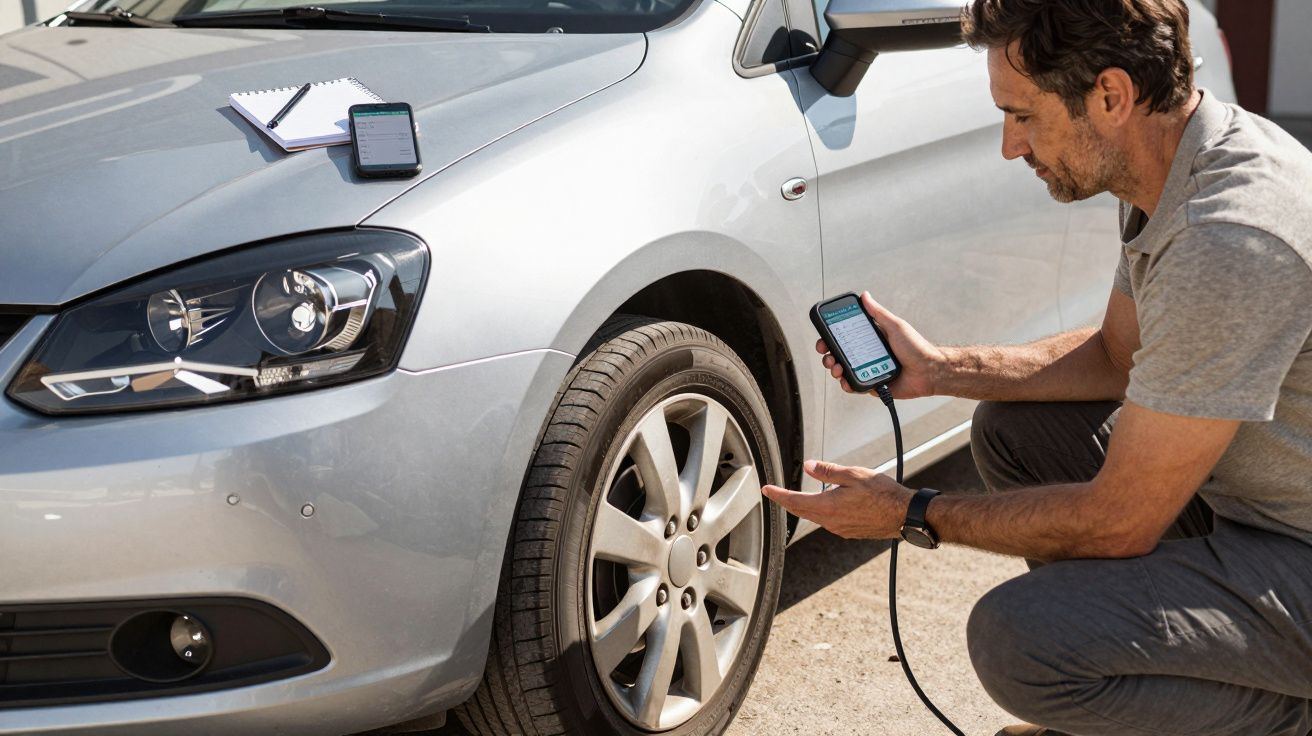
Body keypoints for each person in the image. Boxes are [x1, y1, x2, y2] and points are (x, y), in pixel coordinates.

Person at [760, 0, 1312, 734]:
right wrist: (940, 369)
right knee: (1018, 432)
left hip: (1297, 553)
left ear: (1110, 96)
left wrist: (908, 512)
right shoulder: (1176, 165)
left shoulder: (1229, 236)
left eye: (1023, 115)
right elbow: (1119, 356)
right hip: (1264, 516)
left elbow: (1120, 524)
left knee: (1019, 642)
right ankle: (1147, 695)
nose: (1009, 146)